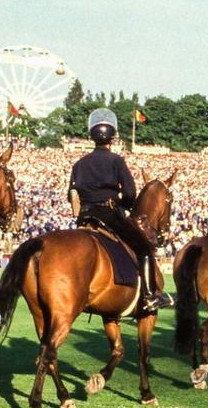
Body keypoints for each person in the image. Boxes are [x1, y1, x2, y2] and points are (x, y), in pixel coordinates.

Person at [70, 108, 170, 313]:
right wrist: (123, 205)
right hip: (109, 214)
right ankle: (150, 296)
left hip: (85, 217)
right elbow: (131, 192)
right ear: (112, 138)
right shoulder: (116, 161)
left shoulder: (79, 164)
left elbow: (71, 194)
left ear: (92, 136)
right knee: (143, 248)